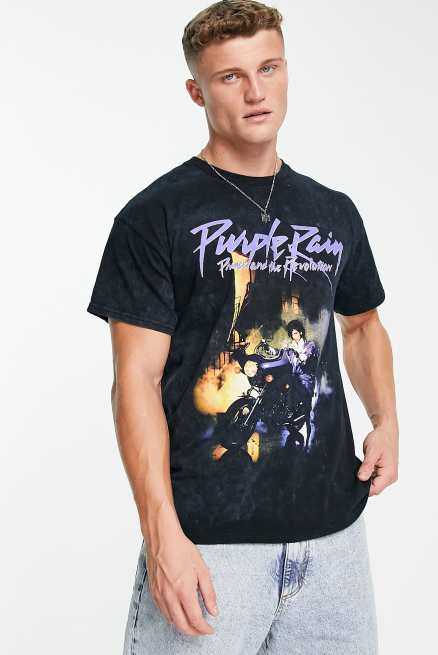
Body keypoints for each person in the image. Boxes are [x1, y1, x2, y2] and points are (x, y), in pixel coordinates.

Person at [86, 1, 399, 653]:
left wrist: (386, 418)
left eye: (269, 68)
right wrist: (162, 536)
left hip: (334, 544)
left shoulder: (333, 211)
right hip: (209, 549)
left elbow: (363, 325)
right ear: (196, 91)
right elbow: (135, 381)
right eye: (231, 77)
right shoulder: (155, 217)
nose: (256, 92)